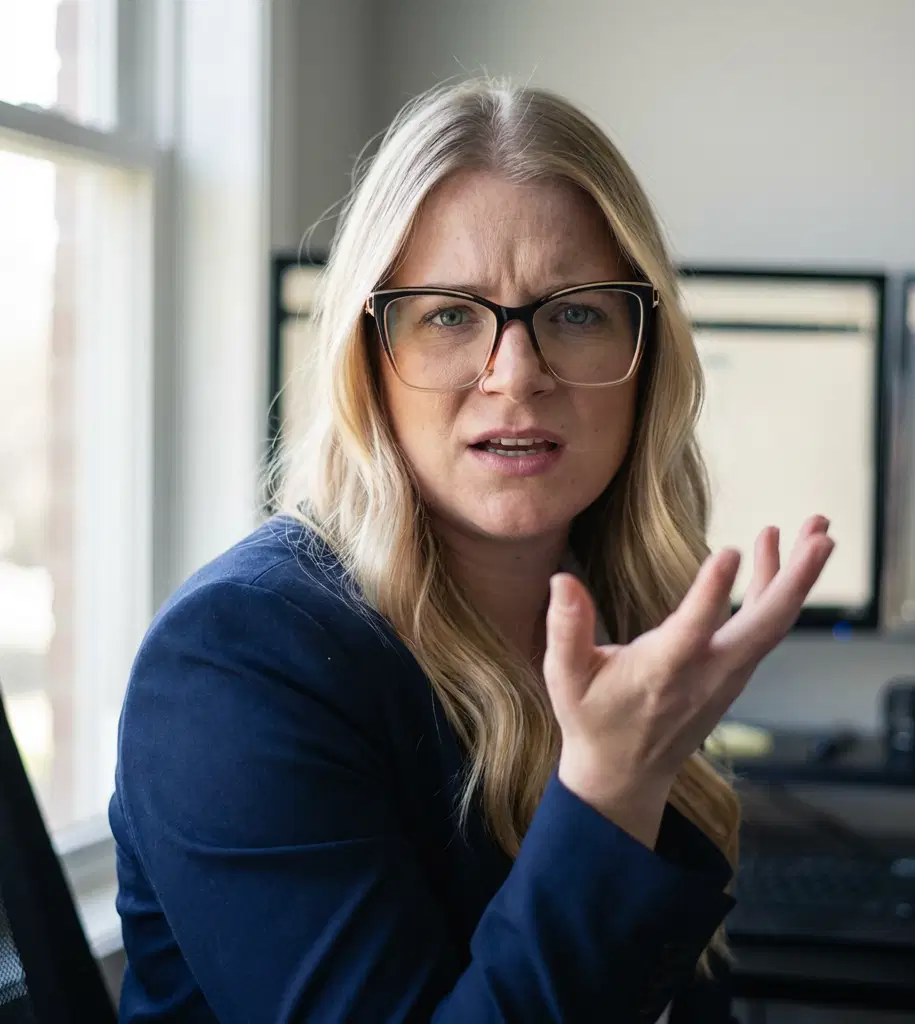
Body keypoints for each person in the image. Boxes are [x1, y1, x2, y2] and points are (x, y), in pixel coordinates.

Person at [110, 78, 833, 1023]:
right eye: (450, 314)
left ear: (645, 358)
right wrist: (612, 791)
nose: (517, 373)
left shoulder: (616, 619)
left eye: (576, 313)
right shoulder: (235, 664)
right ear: (369, 358)